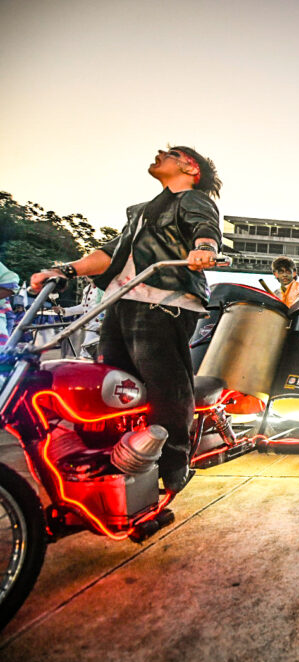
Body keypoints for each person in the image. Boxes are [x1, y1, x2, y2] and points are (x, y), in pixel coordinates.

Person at [30, 146, 223, 493]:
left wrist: (205, 248)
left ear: (190, 166)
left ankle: (174, 465)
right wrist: (65, 270)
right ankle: (113, 465)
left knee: (166, 383)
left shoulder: (192, 199)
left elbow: (205, 227)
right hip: (122, 302)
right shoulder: (142, 212)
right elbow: (110, 253)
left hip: (163, 301)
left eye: (170, 153)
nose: (160, 153)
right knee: (114, 385)